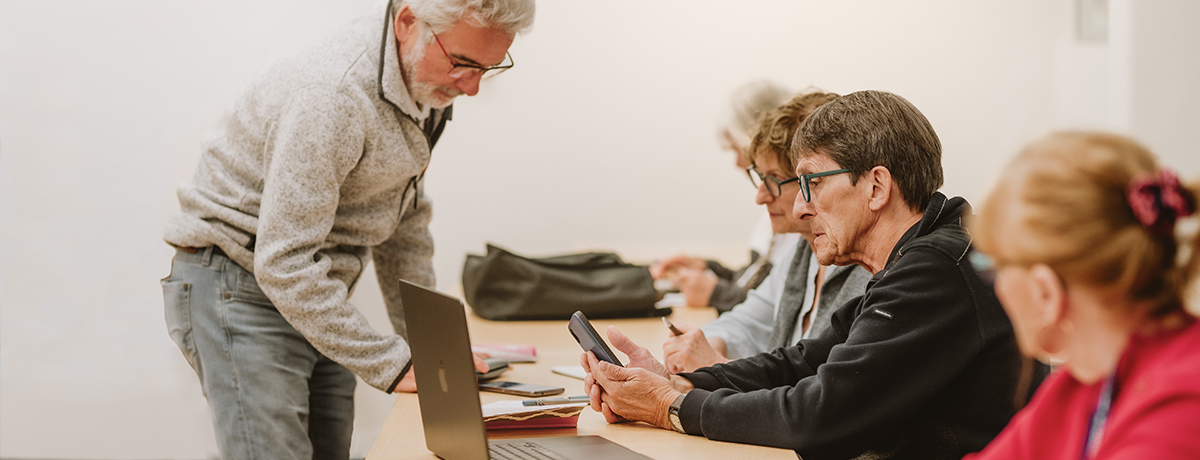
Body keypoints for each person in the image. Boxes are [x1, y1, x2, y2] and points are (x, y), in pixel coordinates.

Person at [159, 0, 535, 458]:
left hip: (310, 286)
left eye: (488, 69)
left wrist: (434, 349)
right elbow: (283, 261)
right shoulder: (333, 96)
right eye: (463, 63)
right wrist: (394, 364)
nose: (472, 88)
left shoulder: (419, 79)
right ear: (408, 23)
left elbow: (404, 221)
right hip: (239, 283)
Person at [582, 90, 1040, 460]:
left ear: (876, 187)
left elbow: (818, 416)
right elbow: (803, 361)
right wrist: (679, 381)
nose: (800, 207)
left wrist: (670, 407)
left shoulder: (937, 270)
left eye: (812, 183)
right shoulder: (918, 258)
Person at [965, 132, 1200, 460]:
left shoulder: (1179, 413)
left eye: (992, 267)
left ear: (1044, 292)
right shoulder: (1086, 379)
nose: (998, 287)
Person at [662, 90, 871, 374]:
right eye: (760, 178)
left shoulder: (869, 266)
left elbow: (818, 394)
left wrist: (717, 367)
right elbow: (750, 320)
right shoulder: (802, 251)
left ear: (811, 180)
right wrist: (703, 346)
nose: (760, 197)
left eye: (772, 180)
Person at [650, 80, 800, 312]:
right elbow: (758, 283)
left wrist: (716, 294)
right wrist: (710, 269)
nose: (738, 163)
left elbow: (782, 310)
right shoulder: (775, 203)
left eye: (737, 149)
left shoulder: (802, 210)